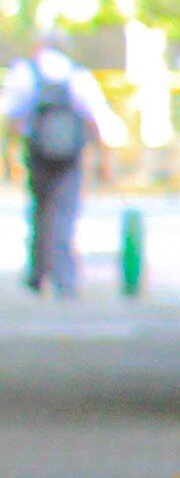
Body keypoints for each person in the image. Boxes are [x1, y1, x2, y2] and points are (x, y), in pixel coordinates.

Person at [5, 33, 113, 299]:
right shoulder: (78, 75)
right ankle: (65, 277)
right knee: (65, 210)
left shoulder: (25, 72)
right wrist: (104, 158)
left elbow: (11, 115)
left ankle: (38, 272)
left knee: (40, 209)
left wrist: (9, 153)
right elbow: (95, 117)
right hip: (70, 154)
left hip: (38, 151)